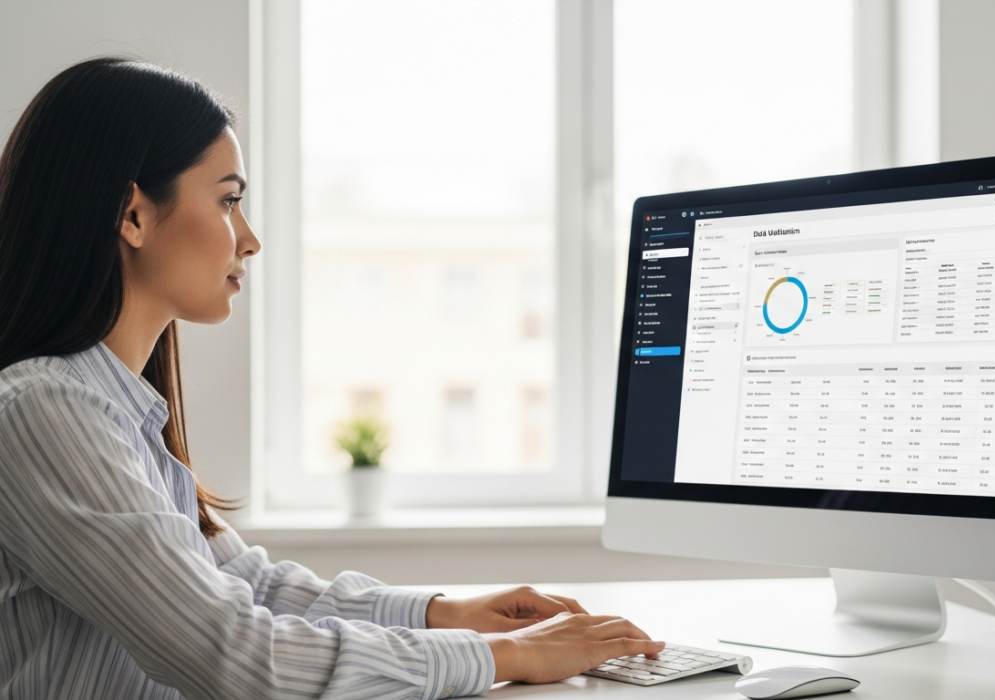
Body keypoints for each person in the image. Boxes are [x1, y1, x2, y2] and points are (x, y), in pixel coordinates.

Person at [0, 57, 662, 700]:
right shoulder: (46, 409)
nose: (250, 238)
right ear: (133, 214)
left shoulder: (117, 413)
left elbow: (244, 586)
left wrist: (443, 613)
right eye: (229, 201)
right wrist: (506, 657)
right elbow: (238, 654)